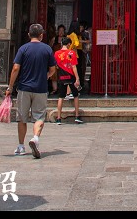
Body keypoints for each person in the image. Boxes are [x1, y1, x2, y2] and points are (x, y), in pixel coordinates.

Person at [6, 23, 56, 159]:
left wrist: (10, 87)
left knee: (22, 117)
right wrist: (45, 76)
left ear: (29, 35)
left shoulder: (23, 49)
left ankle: (21, 146)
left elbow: (16, 68)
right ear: (41, 35)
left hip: (24, 88)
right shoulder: (47, 49)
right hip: (40, 88)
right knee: (39, 116)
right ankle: (35, 138)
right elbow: (52, 69)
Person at [54, 37, 83, 125]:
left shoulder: (56, 53)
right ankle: (77, 116)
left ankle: (58, 118)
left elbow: (56, 65)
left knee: (61, 97)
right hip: (71, 76)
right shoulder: (71, 53)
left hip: (61, 76)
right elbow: (74, 66)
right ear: (69, 44)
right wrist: (77, 78)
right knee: (75, 95)